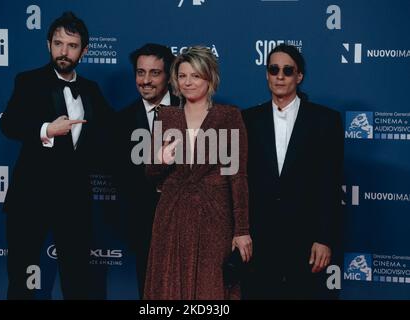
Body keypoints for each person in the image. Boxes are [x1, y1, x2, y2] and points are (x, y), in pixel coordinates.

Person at [0, 11, 114, 299]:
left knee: (78, 281)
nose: (63, 52)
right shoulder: (28, 81)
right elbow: (9, 124)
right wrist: (47, 129)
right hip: (30, 198)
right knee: (21, 279)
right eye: (58, 43)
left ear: (84, 51)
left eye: (72, 45)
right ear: (48, 44)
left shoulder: (91, 90)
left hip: (74, 202)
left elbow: (111, 133)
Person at [143, 46, 252, 300]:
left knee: (210, 287)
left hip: (214, 216)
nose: (188, 82)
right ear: (175, 81)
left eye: (195, 76)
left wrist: (242, 230)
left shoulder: (229, 117)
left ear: (210, 78)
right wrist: (160, 159)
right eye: (182, 76)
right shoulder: (166, 116)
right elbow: (150, 173)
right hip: (172, 215)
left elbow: (238, 177)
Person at [242, 44, 343, 299]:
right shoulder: (247, 120)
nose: (280, 76)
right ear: (266, 74)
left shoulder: (325, 120)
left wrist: (324, 238)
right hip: (260, 240)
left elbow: (330, 183)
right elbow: (238, 181)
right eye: (274, 69)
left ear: (299, 77)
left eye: (288, 70)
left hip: (306, 241)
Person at [117, 43, 179, 298]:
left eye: (154, 73)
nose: (146, 80)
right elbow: (121, 177)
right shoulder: (120, 121)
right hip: (144, 225)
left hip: (187, 221)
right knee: (149, 291)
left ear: (168, 76)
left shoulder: (192, 112)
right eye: (141, 73)